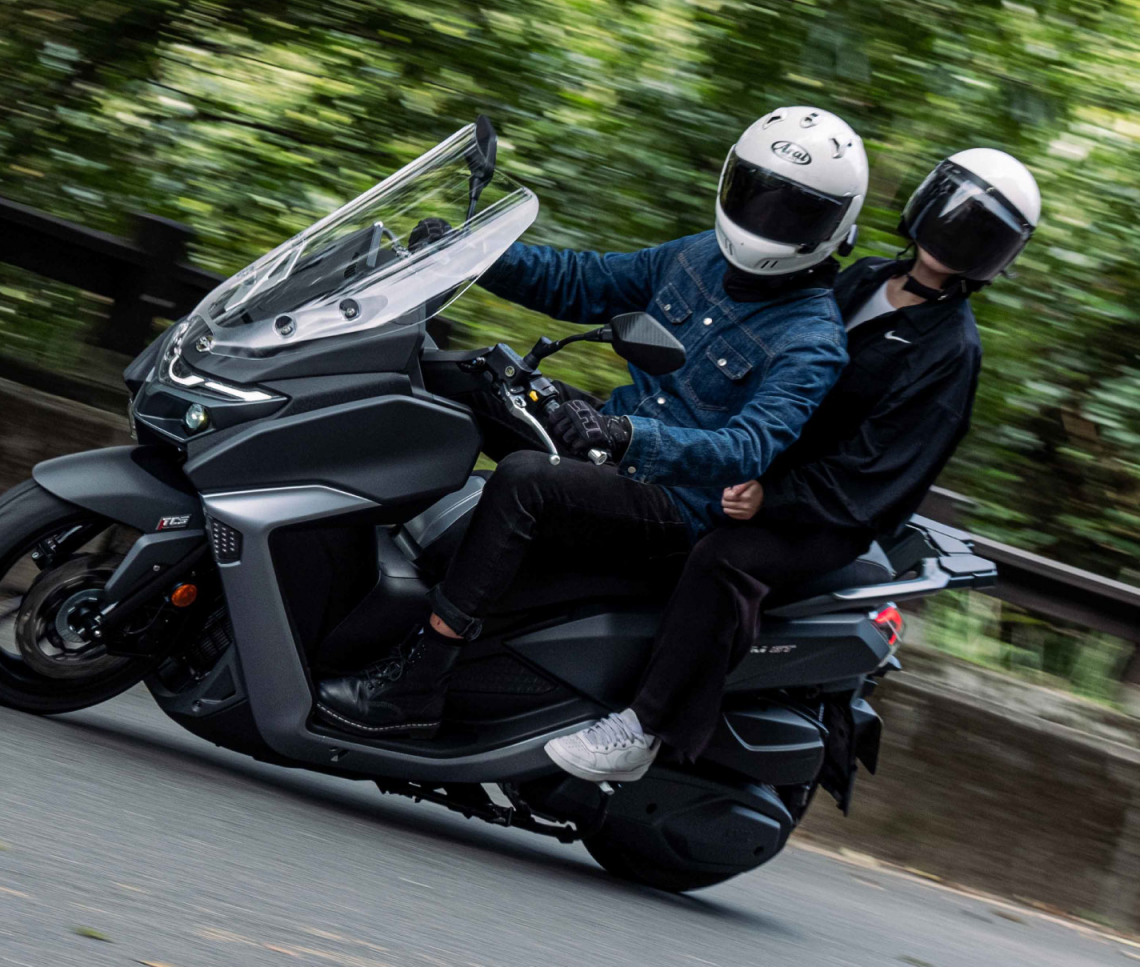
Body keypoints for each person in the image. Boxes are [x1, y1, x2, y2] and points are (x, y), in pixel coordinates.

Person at [315, 106, 870, 739]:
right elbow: (584, 282)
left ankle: (416, 683)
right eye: (756, 193)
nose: (766, 220)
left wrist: (629, 437)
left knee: (527, 481)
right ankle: (347, 564)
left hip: (676, 504)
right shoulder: (700, 257)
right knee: (467, 375)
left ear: (833, 225)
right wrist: (469, 254)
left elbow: (747, 447)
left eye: (794, 211)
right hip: (614, 438)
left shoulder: (812, 339)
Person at [544, 147, 1042, 780]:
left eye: (980, 232)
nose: (956, 236)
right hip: (759, 460)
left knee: (724, 558)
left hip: (826, 512)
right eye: (955, 215)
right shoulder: (864, 276)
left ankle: (644, 728)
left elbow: (877, 466)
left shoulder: (951, 350)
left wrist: (774, 498)